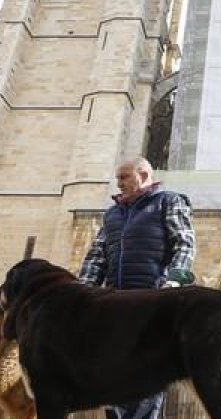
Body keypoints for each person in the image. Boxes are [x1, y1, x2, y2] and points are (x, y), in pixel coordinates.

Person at [78, 157, 195, 419]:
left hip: (151, 300)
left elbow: (184, 243)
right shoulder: (112, 214)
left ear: (143, 175)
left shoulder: (169, 201)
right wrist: (81, 293)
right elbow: (97, 256)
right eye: (118, 178)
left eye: (124, 177)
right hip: (115, 302)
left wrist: (174, 280)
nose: (118, 183)